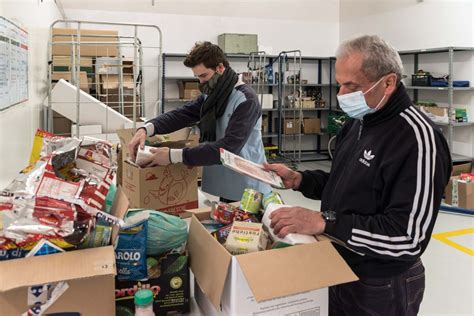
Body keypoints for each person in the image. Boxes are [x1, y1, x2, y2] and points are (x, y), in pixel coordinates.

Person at [265, 35, 452, 316]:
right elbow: (347, 185)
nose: (341, 94)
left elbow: (408, 237)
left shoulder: (417, 138)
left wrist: (323, 222)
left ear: (388, 83)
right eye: (339, 83)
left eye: (351, 86)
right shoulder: (359, 122)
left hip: (381, 283)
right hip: (339, 264)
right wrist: (301, 179)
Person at [128, 41, 271, 202]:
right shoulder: (212, 95)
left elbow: (229, 149)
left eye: (204, 76)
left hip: (249, 187)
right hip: (226, 182)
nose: (201, 82)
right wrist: (146, 129)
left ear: (220, 68)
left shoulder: (245, 99)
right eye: (197, 77)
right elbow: (183, 114)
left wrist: (172, 155)